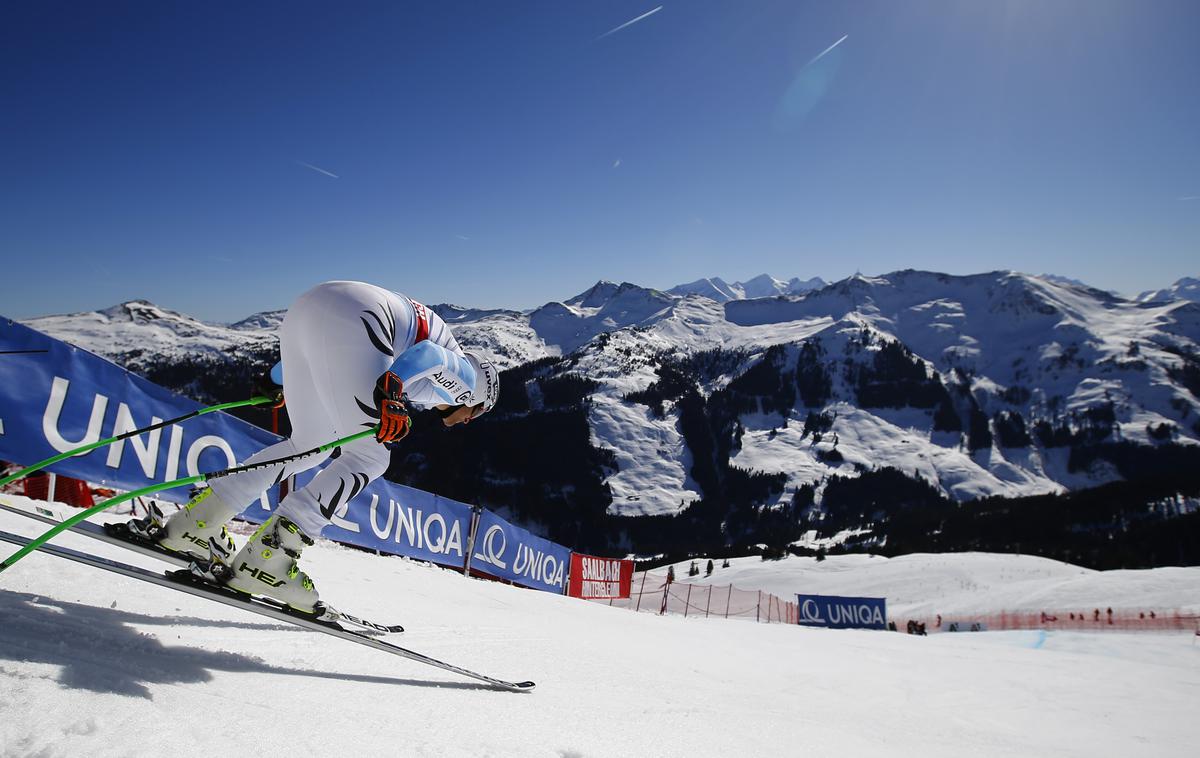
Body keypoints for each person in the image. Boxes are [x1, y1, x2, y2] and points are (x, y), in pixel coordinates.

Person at [129, 280, 499, 614]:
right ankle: (268, 561)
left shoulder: (429, 380)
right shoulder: (464, 378)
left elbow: (333, 342)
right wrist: (393, 389)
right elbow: (430, 359)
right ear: (479, 396)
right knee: (370, 454)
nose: (468, 418)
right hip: (361, 319)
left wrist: (275, 378)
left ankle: (198, 522)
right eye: (477, 412)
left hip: (311, 309)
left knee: (310, 443)